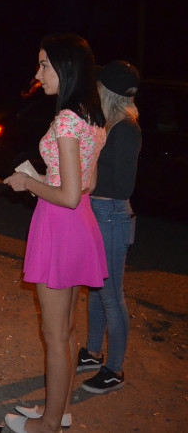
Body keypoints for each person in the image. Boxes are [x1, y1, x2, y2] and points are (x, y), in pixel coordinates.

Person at [3, 34, 107, 433]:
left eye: (44, 64)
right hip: (80, 224)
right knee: (66, 330)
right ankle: (57, 409)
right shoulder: (92, 117)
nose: (38, 73)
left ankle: (47, 425)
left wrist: (27, 182)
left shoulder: (65, 119)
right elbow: (87, 184)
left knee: (54, 333)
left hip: (60, 225)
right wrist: (46, 178)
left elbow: (67, 195)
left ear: (65, 67)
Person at [80, 60, 141, 394]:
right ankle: (92, 352)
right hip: (100, 212)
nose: (95, 88)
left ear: (107, 90)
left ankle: (114, 369)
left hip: (111, 215)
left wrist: (87, 174)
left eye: (98, 84)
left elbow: (121, 186)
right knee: (96, 288)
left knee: (111, 296)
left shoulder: (126, 128)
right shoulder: (110, 123)